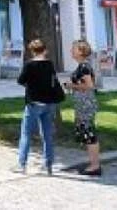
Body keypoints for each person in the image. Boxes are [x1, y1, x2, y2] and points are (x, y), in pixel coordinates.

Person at [15, 38, 64, 175]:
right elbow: (53, 81)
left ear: (32, 51)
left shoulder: (29, 65)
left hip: (34, 102)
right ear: (44, 50)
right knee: (47, 134)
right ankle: (48, 164)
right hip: (49, 103)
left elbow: (20, 80)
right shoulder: (49, 64)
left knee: (26, 133)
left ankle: (22, 164)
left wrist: (30, 85)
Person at [65, 39, 102, 176]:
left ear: (81, 51)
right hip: (83, 103)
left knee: (89, 133)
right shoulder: (82, 66)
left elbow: (89, 85)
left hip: (86, 103)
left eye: (73, 49)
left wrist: (72, 86)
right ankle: (93, 164)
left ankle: (95, 166)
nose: (71, 51)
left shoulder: (84, 67)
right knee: (87, 133)